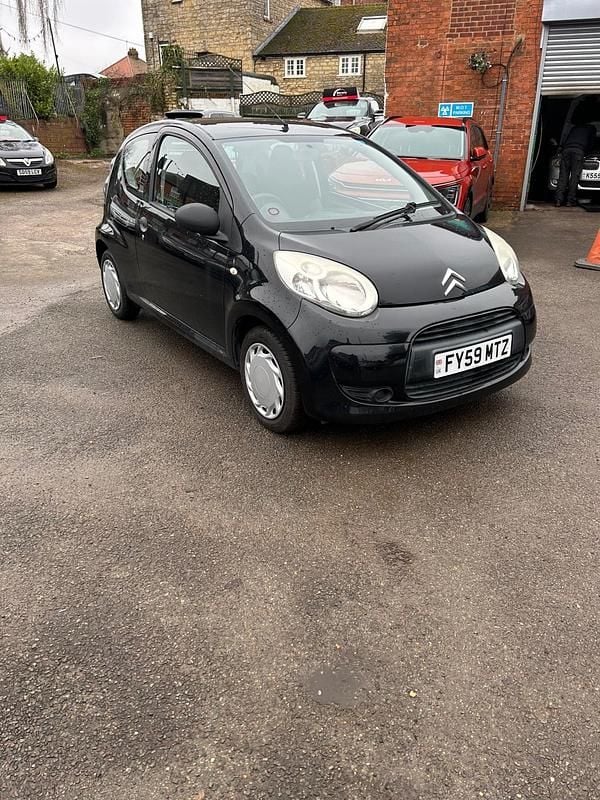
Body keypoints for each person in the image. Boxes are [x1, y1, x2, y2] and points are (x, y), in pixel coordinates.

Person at [555, 122, 596, 207]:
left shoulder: (575, 127)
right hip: (578, 152)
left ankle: (558, 200)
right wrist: (587, 153)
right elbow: (591, 143)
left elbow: (565, 139)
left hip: (566, 151)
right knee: (574, 176)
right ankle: (570, 201)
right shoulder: (592, 128)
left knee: (563, 176)